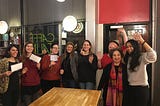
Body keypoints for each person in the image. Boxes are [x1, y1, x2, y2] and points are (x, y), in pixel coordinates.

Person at [124, 33, 157, 106]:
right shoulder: (128, 58)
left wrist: (142, 41)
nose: (128, 48)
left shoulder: (142, 57)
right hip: (131, 88)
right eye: (127, 47)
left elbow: (153, 56)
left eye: (131, 46)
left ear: (135, 46)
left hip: (141, 88)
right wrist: (123, 34)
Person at [20, 42, 41, 106]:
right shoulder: (21, 58)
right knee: (27, 103)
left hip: (35, 82)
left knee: (36, 102)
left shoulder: (37, 58)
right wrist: (22, 72)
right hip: (26, 84)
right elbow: (17, 72)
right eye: (28, 46)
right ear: (25, 48)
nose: (29, 48)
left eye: (31, 46)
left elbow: (41, 72)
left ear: (33, 48)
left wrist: (39, 67)